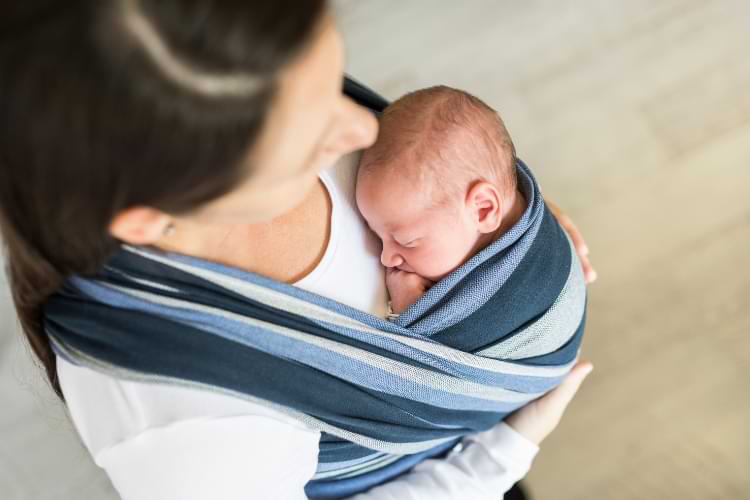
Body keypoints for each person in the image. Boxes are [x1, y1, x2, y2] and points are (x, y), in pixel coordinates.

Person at [0, 1, 595, 499]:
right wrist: (501, 455)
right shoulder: (187, 432)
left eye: (330, 79)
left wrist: (510, 236)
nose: (363, 129)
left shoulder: (215, 84)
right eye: (308, 134)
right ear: (156, 214)